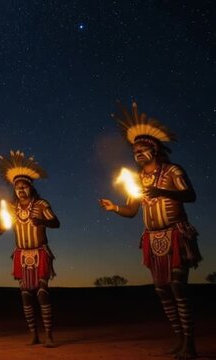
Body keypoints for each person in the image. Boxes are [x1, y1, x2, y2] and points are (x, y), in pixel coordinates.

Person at [100, 102, 201, 359]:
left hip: (176, 234)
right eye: (134, 152)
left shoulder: (172, 171)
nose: (138, 155)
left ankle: (190, 343)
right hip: (153, 239)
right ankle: (179, 339)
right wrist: (115, 208)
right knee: (161, 289)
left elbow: (190, 195)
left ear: (154, 149)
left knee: (178, 286)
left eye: (143, 150)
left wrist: (163, 192)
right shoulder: (138, 180)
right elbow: (132, 211)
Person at [0, 150, 60, 347]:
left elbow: (56, 223)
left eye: (24, 187)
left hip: (40, 253)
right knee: (26, 296)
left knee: (42, 293)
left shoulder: (41, 204)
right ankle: (33, 334)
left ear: (30, 187)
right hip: (21, 255)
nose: (20, 190)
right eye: (17, 187)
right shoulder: (12, 209)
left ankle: (49, 335)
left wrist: (42, 220)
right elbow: (3, 229)